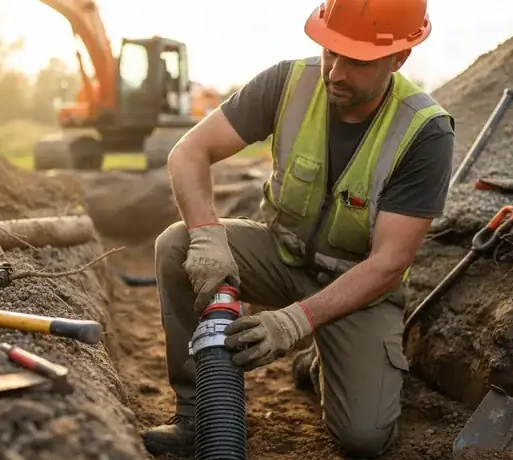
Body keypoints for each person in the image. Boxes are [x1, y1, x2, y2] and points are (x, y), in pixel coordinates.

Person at [142, 0, 455, 457]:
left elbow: (390, 263)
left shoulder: (424, 132)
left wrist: (293, 323)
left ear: (398, 58)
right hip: (280, 255)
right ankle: (197, 415)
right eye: (330, 51)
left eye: (357, 60)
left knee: (364, 438)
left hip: (357, 287)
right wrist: (209, 237)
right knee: (177, 244)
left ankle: (321, 355)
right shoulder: (288, 83)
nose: (335, 72)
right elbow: (188, 153)